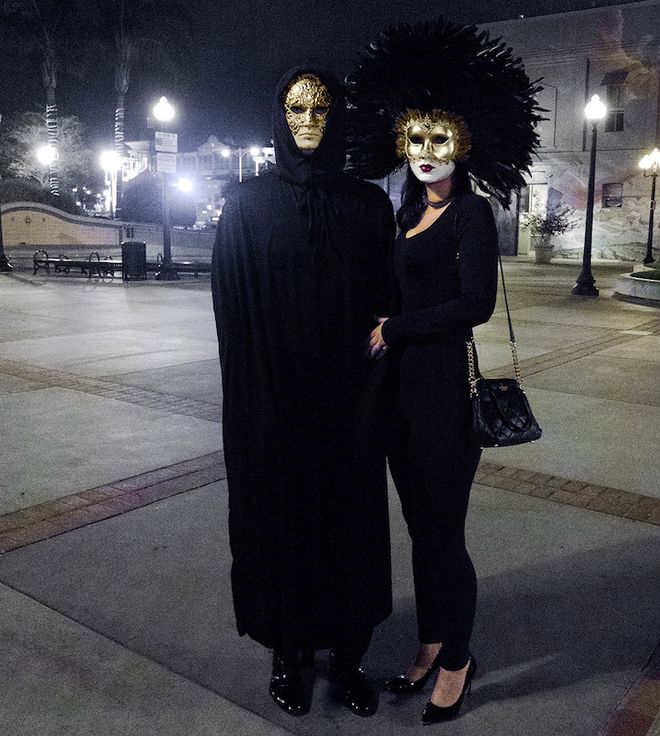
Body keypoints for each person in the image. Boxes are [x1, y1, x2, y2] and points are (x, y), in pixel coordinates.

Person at [347, 20, 542, 725]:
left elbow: (475, 304)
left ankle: (458, 658)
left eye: (440, 139)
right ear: (401, 142)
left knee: (443, 535)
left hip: (443, 404)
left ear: (463, 143)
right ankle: (430, 643)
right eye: (415, 139)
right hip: (397, 401)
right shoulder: (401, 214)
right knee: (417, 530)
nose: (426, 152)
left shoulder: (472, 214)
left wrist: (394, 328)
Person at [211, 66, 395, 718]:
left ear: (336, 115)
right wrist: (249, 406)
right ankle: (288, 653)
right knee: (282, 527)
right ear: (279, 116)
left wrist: (377, 389)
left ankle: (347, 657)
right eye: (296, 108)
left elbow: (386, 307)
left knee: (348, 529)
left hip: (348, 407)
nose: (309, 121)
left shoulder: (367, 204)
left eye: (321, 108)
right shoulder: (246, 206)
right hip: (275, 404)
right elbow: (231, 316)